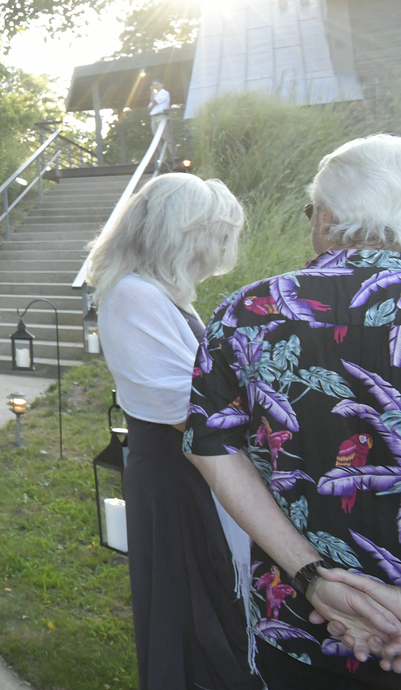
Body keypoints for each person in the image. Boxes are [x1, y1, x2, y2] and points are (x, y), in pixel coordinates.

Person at [187, 134, 401, 688]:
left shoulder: (251, 312)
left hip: (305, 624)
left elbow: (211, 446)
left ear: (326, 217)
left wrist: (310, 576)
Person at [85, 172, 257, 690]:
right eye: (212, 234)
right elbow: (193, 411)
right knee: (191, 615)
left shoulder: (159, 294)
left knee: (207, 608)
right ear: (183, 236)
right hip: (178, 475)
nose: (218, 248)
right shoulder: (135, 296)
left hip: (191, 468)